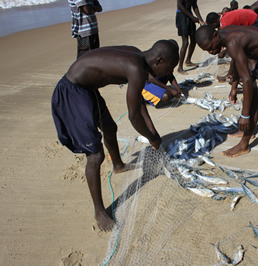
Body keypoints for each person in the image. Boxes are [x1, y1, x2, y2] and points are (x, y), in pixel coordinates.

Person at [51, 40, 179, 231]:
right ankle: (99, 211)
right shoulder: (135, 68)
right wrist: (152, 138)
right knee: (95, 155)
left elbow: (143, 99)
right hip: (73, 91)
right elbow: (134, 115)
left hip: (88, 88)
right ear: (159, 60)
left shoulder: (138, 56)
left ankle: (118, 165)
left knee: (110, 128)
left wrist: (154, 133)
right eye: (168, 69)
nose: (167, 75)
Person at [196, 25, 258, 157]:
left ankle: (244, 145)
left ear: (216, 36)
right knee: (250, 96)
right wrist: (234, 87)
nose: (211, 52)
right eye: (206, 50)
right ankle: (247, 130)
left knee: (253, 100)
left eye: (210, 47)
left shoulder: (232, 41)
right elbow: (236, 60)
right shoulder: (225, 35)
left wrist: (245, 115)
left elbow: (246, 79)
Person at [176, 0, 204, 75]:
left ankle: (188, 60)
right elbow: (179, 6)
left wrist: (200, 19)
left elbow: (194, 6)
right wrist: (192, 17)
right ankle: (180, 67)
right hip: (182, 16)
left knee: (193, 40)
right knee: (185, 42)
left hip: (189, 15)